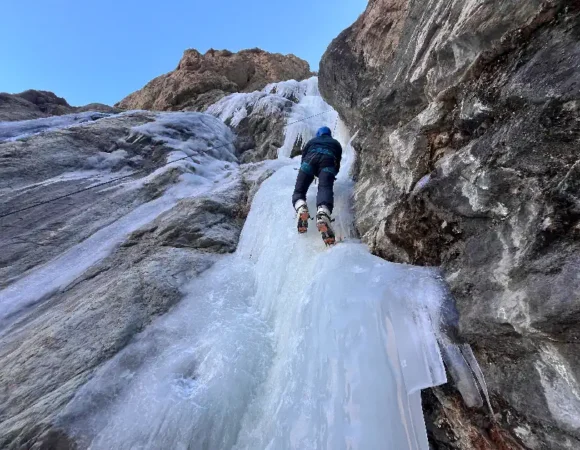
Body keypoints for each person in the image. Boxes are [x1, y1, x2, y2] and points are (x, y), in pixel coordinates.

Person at [292, 126, 343, 245]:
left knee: (299, 192)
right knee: (324, 188)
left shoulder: (311, 141)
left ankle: (301, 208)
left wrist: (306, 172)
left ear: (318, 134)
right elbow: (338, 162)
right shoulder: (335, 143)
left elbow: (304, 157)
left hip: (309, 161)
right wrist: (330, 175)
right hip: (328, 161)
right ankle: (323, 213)